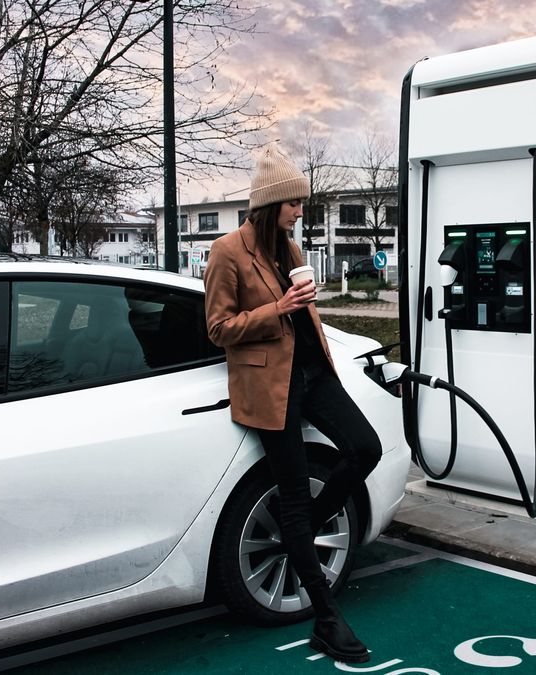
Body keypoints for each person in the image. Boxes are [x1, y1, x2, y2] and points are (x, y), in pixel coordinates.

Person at [204, 147, 381, 664]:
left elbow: (299, 318)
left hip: (313, 372)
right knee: (296, 492)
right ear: (272, 203)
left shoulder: (291, 250)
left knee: (363, 448)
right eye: (295, 205)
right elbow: (218, 329)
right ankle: (327, 618)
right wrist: (276, 308)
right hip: (269, 385)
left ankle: (300, 525)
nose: (301, 213)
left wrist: (306, 302)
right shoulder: (226, 253)